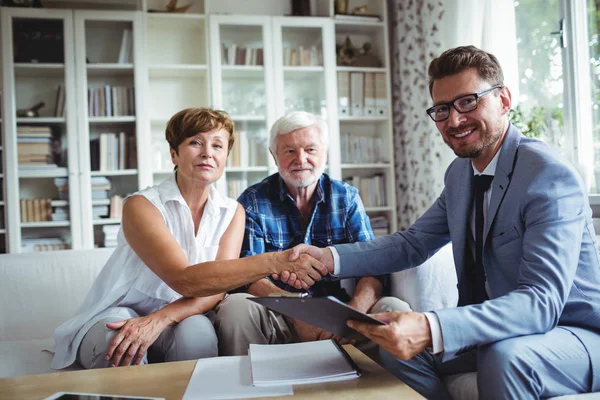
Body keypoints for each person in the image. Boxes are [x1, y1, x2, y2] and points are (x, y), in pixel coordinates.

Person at [284, 46, 600, 399]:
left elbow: (542, 302)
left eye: (468, 102)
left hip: (573, 333)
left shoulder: (548, 175)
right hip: (495, 332)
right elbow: (413, 244)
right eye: (442, 109)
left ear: (504, 99)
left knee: (506, 357)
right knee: (391, 346)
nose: (454, 120)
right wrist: (329, 258)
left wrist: (432, 326)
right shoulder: (460, 175)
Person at [51, 108, 327, 370]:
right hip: (122, 311)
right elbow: (183, 279)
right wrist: (277, 261)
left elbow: (218, 289)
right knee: (118, 342)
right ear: (174, 154)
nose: (208, 153)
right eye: (196, 143)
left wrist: (160, 320)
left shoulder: (233, 212)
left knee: (198, 335)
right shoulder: (141, 205)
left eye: (218, 146)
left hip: (184, 313)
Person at [215, 111, 410, 356]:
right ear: (274, 156)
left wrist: (354, 313)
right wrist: (300, 313)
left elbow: (371, 265)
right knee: (235, 306)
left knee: (395, 308)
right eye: (289, 151)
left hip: (339, 313)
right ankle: (250, 392)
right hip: (278, 313)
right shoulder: (253, 201)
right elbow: (248, 276)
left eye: (310, 149)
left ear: (325, 154)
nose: (301, 159)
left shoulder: (345, 197)